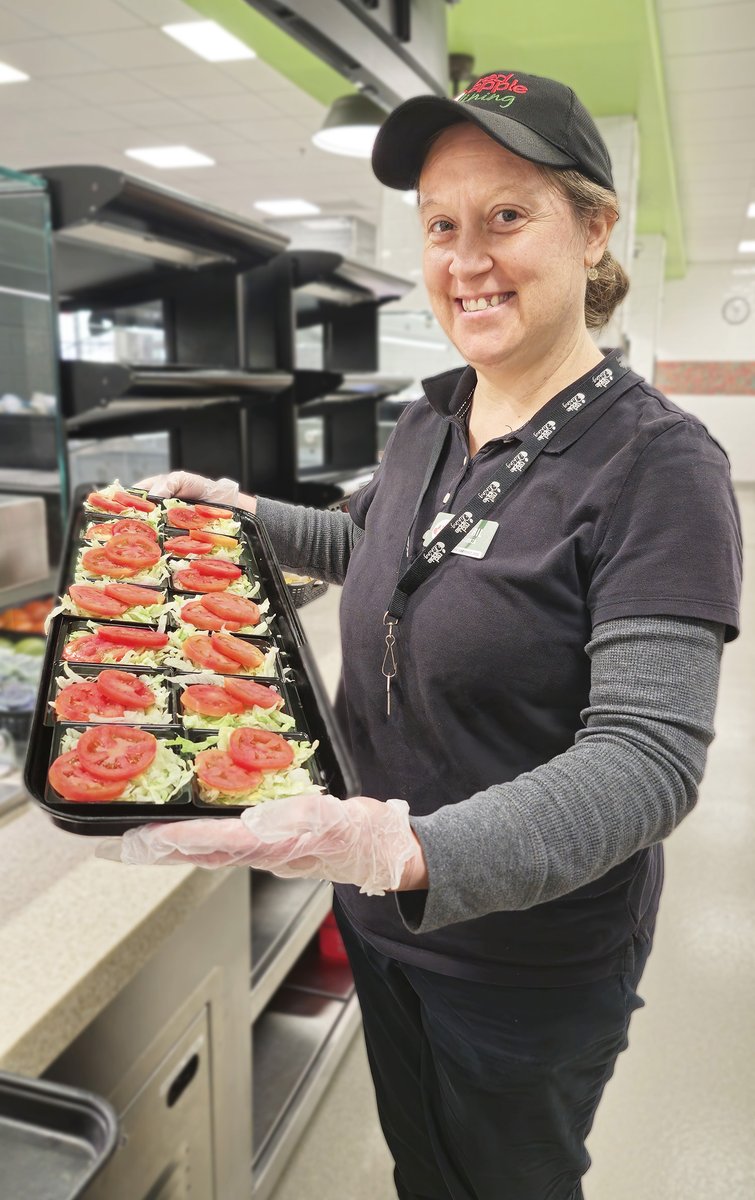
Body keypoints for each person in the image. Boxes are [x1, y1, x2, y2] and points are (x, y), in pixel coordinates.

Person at [125, 70, 742, 1200]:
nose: (466, 259)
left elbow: (646, 759)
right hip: (378, 912)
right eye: (440, 225)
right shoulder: (434, 413)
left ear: (592, 229)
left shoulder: (658, 468)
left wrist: (408, 852)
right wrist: (242, 514)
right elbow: (379, 549)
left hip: (520, 956)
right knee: (421, 1164)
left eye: (506, 216)